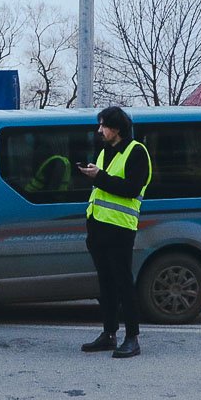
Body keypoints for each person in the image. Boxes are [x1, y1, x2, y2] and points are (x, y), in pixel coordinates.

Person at [78, 106, 153, 359]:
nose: (100, 131)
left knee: (123, 284)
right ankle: (108, 334)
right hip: (98, 227)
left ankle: (132, 338)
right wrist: (93, 175)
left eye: (103, 126)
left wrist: (98, 177)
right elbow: (102, 186)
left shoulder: (137, 151)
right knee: (105, 285)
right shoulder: (104, 152)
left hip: (120, 229)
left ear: (117, 128)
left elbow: (131, 188)